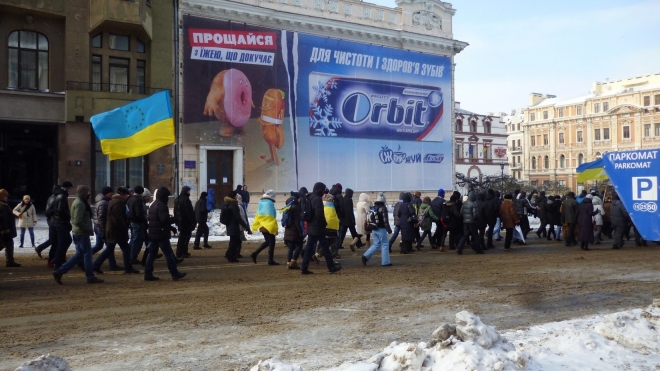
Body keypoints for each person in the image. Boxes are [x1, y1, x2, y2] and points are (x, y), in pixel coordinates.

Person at [52, 185, 103, 284]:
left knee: (79, 254)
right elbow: (77, 220)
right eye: (87, 192)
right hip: (82, 233)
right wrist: (87, 228)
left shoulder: (77, 202)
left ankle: (60, 271)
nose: (89, 194)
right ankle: (90, 276)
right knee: (87, 255)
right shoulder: (80, 203)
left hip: (78, 232)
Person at [144, 187, 187, 281]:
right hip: (161, 233)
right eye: (167, 196)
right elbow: (164, 220)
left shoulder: (153, 204)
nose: (168, 198)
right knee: (168, 254)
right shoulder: (162, 205)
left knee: (151, 254)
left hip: (153, 233)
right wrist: (175, 219)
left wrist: (170, 226)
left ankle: (147, 273)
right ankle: (174, 273)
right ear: (163, 196)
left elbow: (156, 220)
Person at [299, 182, 342, 275]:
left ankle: (304, 267)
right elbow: (319, 214)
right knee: (325, 248)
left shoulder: (310, 198)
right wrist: (324, 224)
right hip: (318, 228)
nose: (323, 192)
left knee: (309, 248)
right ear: (319, 189)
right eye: (322, 189)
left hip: (311, 227)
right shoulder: (317, 199)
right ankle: (331, 267)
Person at [101, 187, 139, 274]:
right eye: (126, 195)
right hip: (117, 231)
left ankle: (96, 265)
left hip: (114, 230)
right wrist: (124, 227)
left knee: (110, 249)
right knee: (125, 249)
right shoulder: (118, 203)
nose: (127, 197)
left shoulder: (115, 202)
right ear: (122, 195)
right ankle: (128, 267)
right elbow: (118, 218)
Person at [92, 187, 122, 270]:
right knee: (109, 246)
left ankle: (83, 257)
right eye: (110, 193)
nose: (112, 194)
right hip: (101, 227)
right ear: (106, 193)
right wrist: (104, 229)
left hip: (97, 226)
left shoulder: (101, 201)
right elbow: (102, 217)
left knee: (100, 245)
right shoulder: (104, 203)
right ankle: (110, 264)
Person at [361, 192, 393, 266]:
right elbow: (385, 221)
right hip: (381, 229)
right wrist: (389, 230)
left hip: (374, 228)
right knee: (385, 244)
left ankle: (365, 256)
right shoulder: (383, 208)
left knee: (376, 244)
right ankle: (385, 262)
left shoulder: (374, 207)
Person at [48, 181, 74, 269]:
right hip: (61, 223)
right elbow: (60, 210)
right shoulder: (62, 196)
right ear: (67, 189)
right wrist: (68, 214)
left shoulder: (58, 195)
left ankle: (57, 259)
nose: (70, 191)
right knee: (63, 242)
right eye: (70, 189)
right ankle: (57, 260)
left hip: (59, 222)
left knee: (63, 242)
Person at [250, 190, 279, 265]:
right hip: (269, 225)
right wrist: (275, 227)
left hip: (262, 225)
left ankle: (255, 253)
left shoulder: (261, 202)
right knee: (271, 243)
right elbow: (272, 216)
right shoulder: (270, 203)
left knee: (267, 242)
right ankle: (270, 260)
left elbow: (259, 213)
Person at [36, 185, 60, 266]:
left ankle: (41, 249)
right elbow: (48, 212)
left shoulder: (52, 197)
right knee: (54, 241)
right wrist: (56, 210)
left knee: (54, 240)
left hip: (52, 220)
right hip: (53, 220)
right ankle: (52, 259)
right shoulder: (54, 198)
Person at [224, 191, 251, 262]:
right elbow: (238, 217)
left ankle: (229, 254)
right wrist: (245, 225)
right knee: (234, 242)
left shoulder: (227, 204)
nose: (237, 197)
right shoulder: (234, 205)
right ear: (234, 196)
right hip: (234, 226)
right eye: (236, 195)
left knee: (234, 241)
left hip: (230, 225)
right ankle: (231, 256)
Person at [127, 185, 149, 263]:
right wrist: (144, 222)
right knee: (137, 240)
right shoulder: (138, 200)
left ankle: (130, 255)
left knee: (134, 239)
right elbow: (139, 213)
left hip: (132, 221)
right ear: (141, 192)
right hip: (137, 222)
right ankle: (133, 257)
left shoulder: (130, 199)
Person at [0, 189, 21, 267]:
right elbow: (3, 219)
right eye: (5, 196)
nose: (7, 197)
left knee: (7, 245)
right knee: (6, 244)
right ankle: (9, 261)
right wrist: (5, 230)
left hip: (5, 230)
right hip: (5, 230)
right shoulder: (3, 206)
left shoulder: (3, 205)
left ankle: (10, 260)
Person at [174, 186, 196, 259]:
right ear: (187, 191)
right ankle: (181, 252)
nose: (190, 192)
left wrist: (176, 220)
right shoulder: (186, 199)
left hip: (180, 220)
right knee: (185, 237)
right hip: (186, 221)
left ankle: (182, 251)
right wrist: (193, 221)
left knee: (183, 237)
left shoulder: (177, 199)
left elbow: (175, 211)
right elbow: (189, 212)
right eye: (189, 191)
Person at [283, 192, 304, 269]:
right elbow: (297, 221)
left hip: (288, 229)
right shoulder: (296, 207)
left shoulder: (287, 206)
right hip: (294, 229)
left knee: (290, 247)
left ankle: (288, 263)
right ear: (297, 198)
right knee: (299, 245)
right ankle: (293, 261)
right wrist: (300, 232)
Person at [322, 193, 340, 259]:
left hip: (325, 226)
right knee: (333, 242)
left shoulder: (323, 206)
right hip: (332, 227)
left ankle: (318, 254)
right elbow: (333, 218)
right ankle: (333, 256)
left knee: (325, 242)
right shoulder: (331, 206)